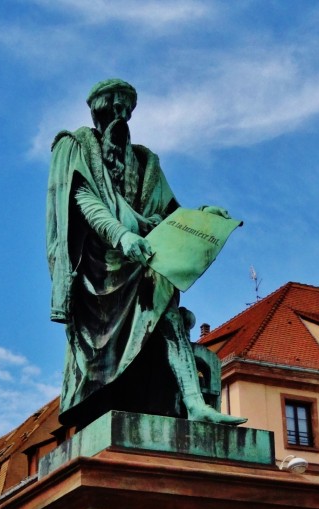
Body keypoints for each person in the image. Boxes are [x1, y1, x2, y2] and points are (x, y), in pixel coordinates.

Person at [46, 78, 246, 429]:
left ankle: (194, 403)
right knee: (155, 300)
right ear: (97, 108)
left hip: (142, 259)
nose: (121, 113)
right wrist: (121, 235)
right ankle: (136, 400)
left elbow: (172, 215)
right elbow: (82, 199)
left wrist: (202, 215)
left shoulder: (144, 160)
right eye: (114, 104)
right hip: (99, 268)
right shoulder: (74, 144)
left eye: (127, 107)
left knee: (165, 303)